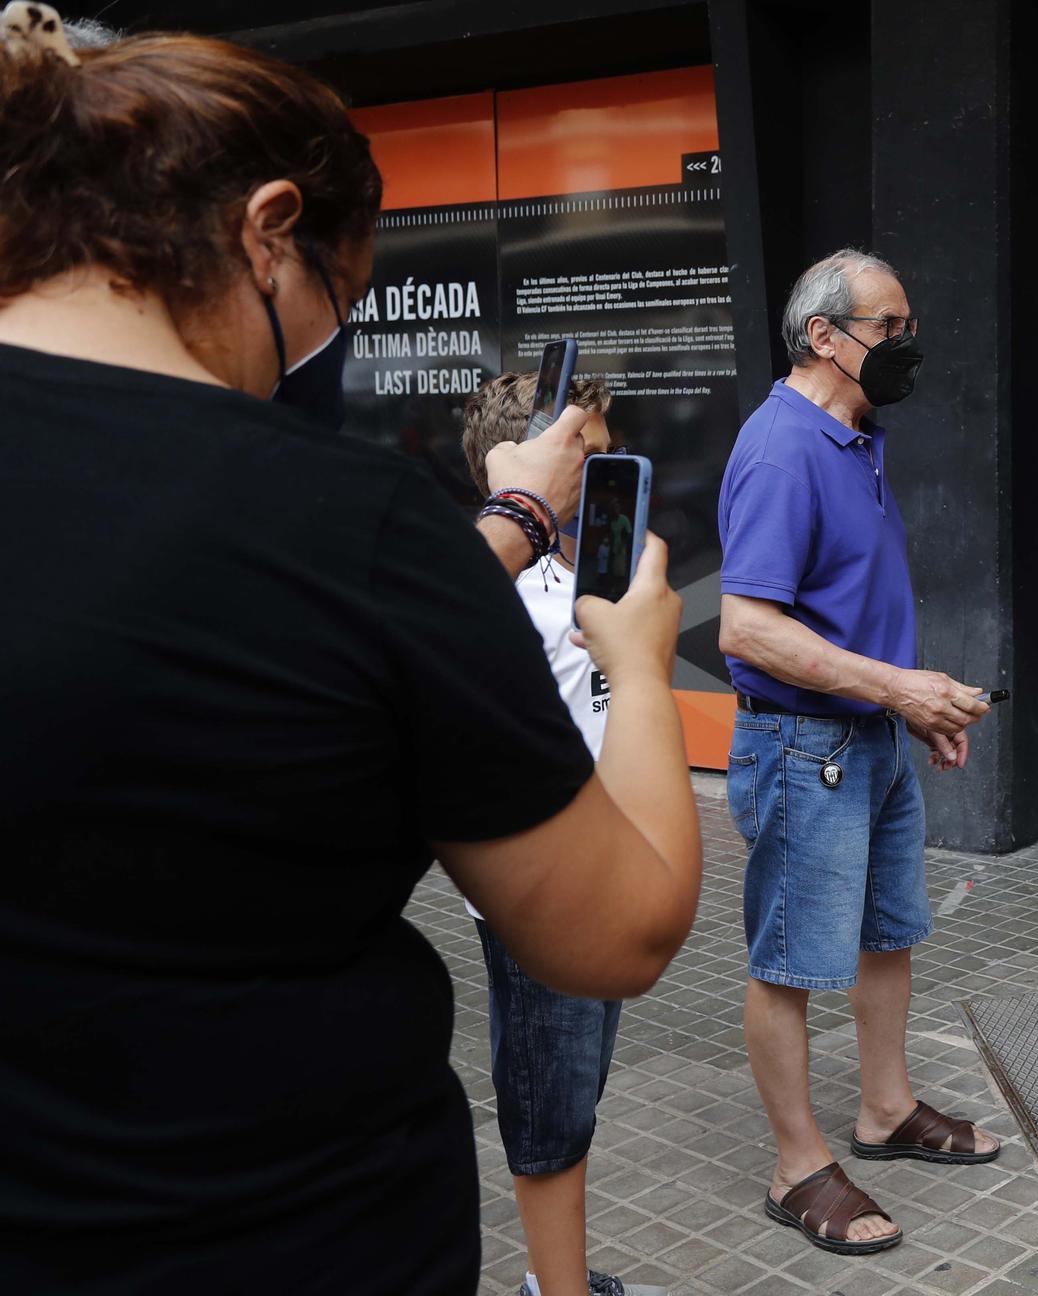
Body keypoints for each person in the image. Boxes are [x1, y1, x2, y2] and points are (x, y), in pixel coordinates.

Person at [0, 20, 701, 1293]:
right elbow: (620, 934)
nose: (327, 339)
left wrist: (511, 524)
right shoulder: (339, 517)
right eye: (342, 295)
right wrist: (643, 667)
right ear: (269, 230)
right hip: (293, 1232)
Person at [717, 248, 996, 1256]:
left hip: (868, 740)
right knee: (788, 961)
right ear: (823, 337)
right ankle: (796, 1166)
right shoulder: (781, 449)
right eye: (889, 326)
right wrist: (897, 688)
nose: (906, 344)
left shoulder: (853, 434)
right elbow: (744, 629)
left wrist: (909, 709)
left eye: (908, 323)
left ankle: (883, 1111)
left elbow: (840, 608)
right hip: (801, 749)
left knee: (888, 934)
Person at [460, 372, 662, 1296]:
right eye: (596, 449)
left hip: (602, 865)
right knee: (551, 1100)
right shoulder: (498, 592)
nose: (614, 465)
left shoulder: (596, 577)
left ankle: (564, 1280)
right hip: (547, 886)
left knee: (578, 1083)